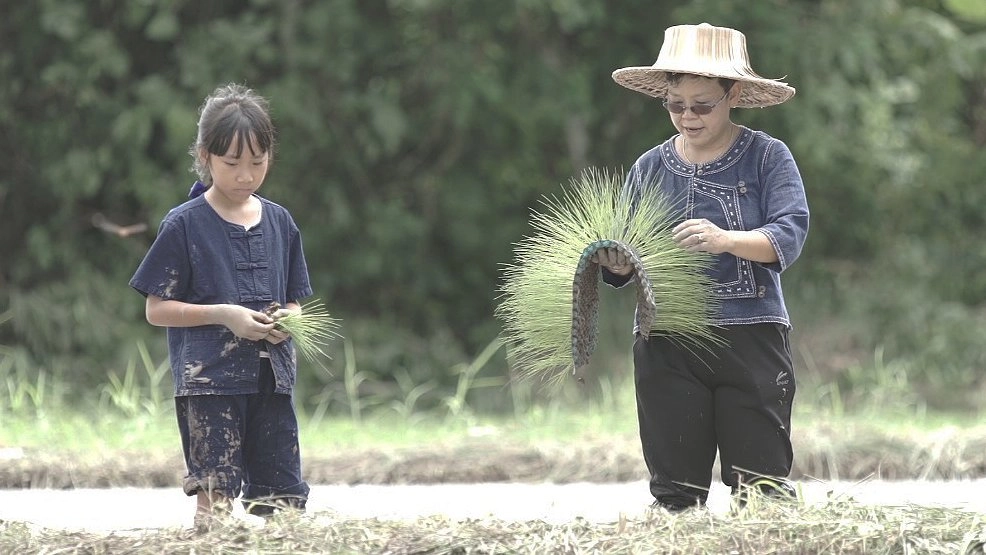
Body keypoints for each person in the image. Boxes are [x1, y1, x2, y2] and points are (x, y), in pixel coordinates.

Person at [601, 23, 810, 511]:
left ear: (733, 94)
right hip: (666, 341)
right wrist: (614, 264)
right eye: (676, 105)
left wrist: (725, 240)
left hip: (752, 335)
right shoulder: (649, 167)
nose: (688, 117)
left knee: (762, 491)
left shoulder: (767, 157)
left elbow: (790, 233)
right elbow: (628, 258)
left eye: (702, 105)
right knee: (674, 493)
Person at [129, 83, 313, 529]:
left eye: (258, 162)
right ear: (205, 156)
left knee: (284, 505)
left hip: (273, 380)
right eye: (232, 163)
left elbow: (296, 301)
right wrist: (223, 314)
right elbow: (157, 308)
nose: (246, 175)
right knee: (215, 506)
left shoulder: (281, 222)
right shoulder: (184, 224)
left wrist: (290, 319)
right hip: (209, 385)